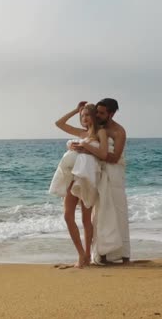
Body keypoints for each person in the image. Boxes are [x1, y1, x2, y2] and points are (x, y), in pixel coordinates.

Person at [71, 98, 131, 265]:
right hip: (99, 173)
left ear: (111, 114)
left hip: (114, 174)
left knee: (118, 213)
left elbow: (114, 157)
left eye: (102, 113)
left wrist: (90, 151)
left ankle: (124, 255)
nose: (97, 115)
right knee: (100, 215)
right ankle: (101, 255)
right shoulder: (98, 129)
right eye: (97, 112)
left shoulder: (119, 132)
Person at [49, 102, 108, 268]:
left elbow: (103, 154)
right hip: (73, 177)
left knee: (86, 219)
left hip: (88, 177)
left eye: (87, 115)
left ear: (94, 116)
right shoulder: (81, 133)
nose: (84, 118)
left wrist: (85, 147)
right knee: (68, 216)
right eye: (82, 116)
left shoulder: (101, 132)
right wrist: (76, 109)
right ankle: (81, 254)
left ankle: (87, 256)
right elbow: (59, 124)